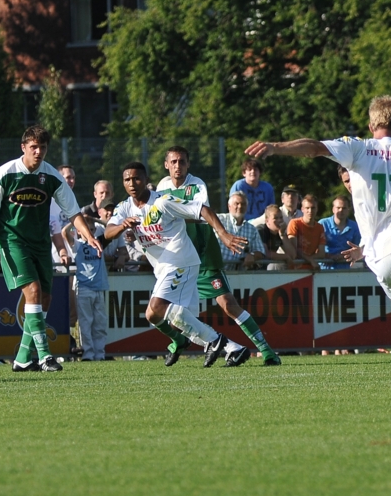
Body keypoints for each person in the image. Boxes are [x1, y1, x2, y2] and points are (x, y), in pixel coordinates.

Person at [245, 95, 391, 385]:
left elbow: (313, 148)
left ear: (371, 124)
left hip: (378, 254)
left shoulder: (357, 148)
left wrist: (275, 147)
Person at [0, 125, 103, 372]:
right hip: (12, 242)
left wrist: (88, 235)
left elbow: (73, 211)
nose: (38, 152)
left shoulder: (51, 177)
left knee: (45, 298)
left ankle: (23, 357)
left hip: (40, 243)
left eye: (42, 147)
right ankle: (46, 356)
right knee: (33, 291)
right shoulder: (6, 173)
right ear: (23, 147)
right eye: (33, 147)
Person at [105, 162, 250, 367]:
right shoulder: (124, 207)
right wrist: (121, 226)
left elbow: (202, 209)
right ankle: (233, 349)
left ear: (146, 181)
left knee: (157, 306)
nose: (132, 183)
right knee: (158, 316)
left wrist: (223, 234)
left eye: (137, 178)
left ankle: (216, 341)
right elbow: (107, 232)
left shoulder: (162, 201)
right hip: (164, 266)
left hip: (181, 260)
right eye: (127, 179)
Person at [156, 146, 281, 366]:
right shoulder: (162, 186)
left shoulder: (196, 185)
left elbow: (200, 214)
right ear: (166, 165)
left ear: (188, 164)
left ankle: (267, 351)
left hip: (203, 253)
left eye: (182, 161)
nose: (178, 166)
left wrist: (221, 233)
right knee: (169, 309)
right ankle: (181, 342)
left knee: (228, 304)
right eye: (173, 162)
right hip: (178, 257)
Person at [74, 199, 126, 361]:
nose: (89, 231)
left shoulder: (99, 241)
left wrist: (93, 219)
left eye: (91, 229)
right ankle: (88, 354)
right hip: (83, 288)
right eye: (86, 228)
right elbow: (63, 233)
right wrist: (80, 219)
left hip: (100, 287)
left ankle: (100, 354)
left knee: (100, 324)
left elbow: (108, 226)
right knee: (86, 323)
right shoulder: (76, 243)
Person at [218, 191, 266, 272]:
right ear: (229, 206)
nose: (240, 206)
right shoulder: (218, 220)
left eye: (243, 204)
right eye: (236, 203)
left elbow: (260, 251)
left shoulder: (251, 229)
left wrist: (253, 256)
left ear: (247, 207)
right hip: (216, 273)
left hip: (238, 275)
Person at [319, 195, 360, 270]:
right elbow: (314, 247)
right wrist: (328, 256)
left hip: (346, 270)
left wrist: (343, 256)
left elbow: (358, 248)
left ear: (348, 210)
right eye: (338, 208)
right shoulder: (322, 224)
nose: (341, 210)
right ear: (333, 209)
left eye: (344, 208)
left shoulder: (355, 227)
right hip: (324, 269)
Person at [287, 195, 326, 271]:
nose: (310, 211)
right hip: (294, 269)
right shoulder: (295, 223)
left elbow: (321, 253)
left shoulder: (319, 227)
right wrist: (310, 260)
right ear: (302, 209)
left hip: (311, 269)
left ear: (317, 209)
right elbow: (293, 249)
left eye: (313, 208)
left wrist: (310, 260)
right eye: (307, 208)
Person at [256, 204, 297, 270]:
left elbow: (293, 255)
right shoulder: (261, 230)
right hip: (253, 269)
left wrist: (282, 234)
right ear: (267, 221)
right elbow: (265, 253)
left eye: (281, 217)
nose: (279, 220)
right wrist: (285, 256)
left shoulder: (279, 232)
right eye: (275, 218)